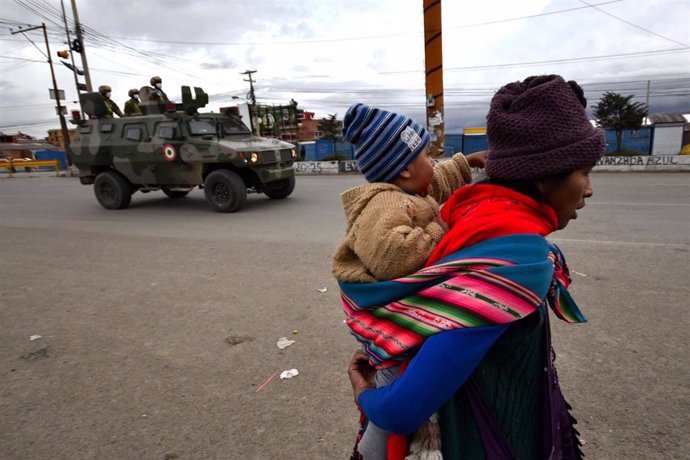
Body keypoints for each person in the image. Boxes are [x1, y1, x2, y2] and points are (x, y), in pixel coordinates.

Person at [346, 74, 605, 459]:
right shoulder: (512, 265)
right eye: (584, 172)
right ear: (544, 176)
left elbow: (440, 180)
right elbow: (402, 410)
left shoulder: (468, 209)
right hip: (482, 440)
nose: (588, 189)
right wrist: (365, 394)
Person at [333, 103, 486, 460]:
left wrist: (467, 164)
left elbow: (437, 181)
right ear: (403, 170)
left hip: (400, 299)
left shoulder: (410, 191)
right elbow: (394, 255)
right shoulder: (383, 203)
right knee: (394, 388)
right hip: (382, 312)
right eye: (427, 157)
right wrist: (445, 227)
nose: (434, 164)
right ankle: (370, 453)